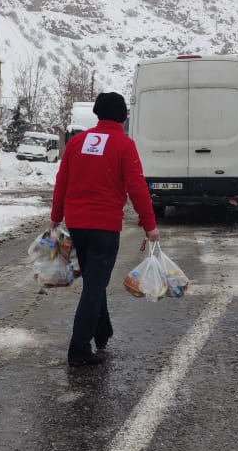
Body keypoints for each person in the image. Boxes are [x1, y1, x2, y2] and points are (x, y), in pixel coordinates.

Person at [50, 92, 160, 368]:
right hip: (104, 227)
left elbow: (62, 180)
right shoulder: (124, 144)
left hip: (76, 224)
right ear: (123, 116)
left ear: (97, 113)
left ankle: (102, 331)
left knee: (94, 283)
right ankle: (78, 349)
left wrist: (56, 216)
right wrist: (150, 226)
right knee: (95, 286)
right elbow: (137, 187)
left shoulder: (77, 142)